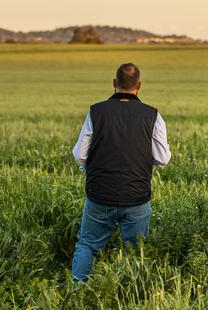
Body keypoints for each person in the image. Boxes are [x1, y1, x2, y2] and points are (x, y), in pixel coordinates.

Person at [70, 63, 171, 281]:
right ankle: (131, 295)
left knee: (87, 244)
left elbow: (80, 154)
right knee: (137, 251)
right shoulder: (153, 115)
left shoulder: (96, 111)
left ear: (114, 83)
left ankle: (76, 294)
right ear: (139, 86)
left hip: (99, 195)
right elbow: (162, 159)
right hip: (136, 197)